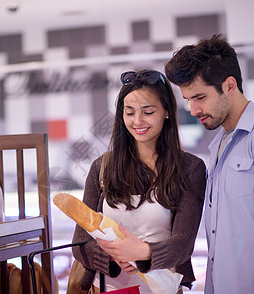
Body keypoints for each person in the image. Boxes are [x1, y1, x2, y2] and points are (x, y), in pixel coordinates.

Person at [165, 34, 254, 294]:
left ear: (229, 85)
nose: (193, 109)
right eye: (188, 99)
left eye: (199, 97)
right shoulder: (219, 144)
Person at [71, 69, 206, 293]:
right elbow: (80, 241)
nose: (137, 121)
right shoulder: (102, 167)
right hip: (106, 288)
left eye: (148, 111)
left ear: (166, 112)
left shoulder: (190, 169)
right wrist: (112, 256)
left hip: (162, 288)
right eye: (130, 112)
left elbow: (183, 243)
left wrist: (142, 252)